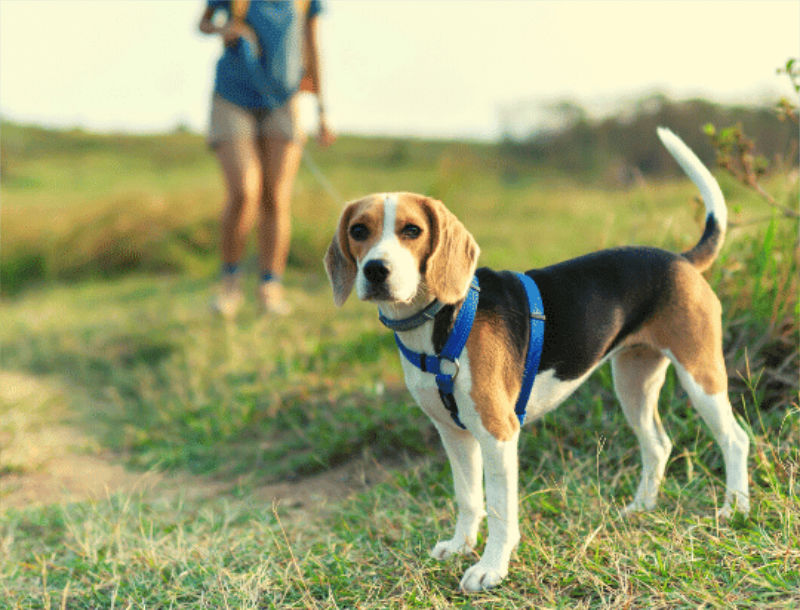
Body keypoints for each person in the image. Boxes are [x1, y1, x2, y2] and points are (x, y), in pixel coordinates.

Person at [199, 0, 334, 317]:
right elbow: (203, 23)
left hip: (284, 100)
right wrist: (225, 28)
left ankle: (269, 287)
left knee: (276, 197)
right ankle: (229, 286)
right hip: (233, 98)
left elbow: (312, 43)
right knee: (245, 190)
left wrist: (322, 109)